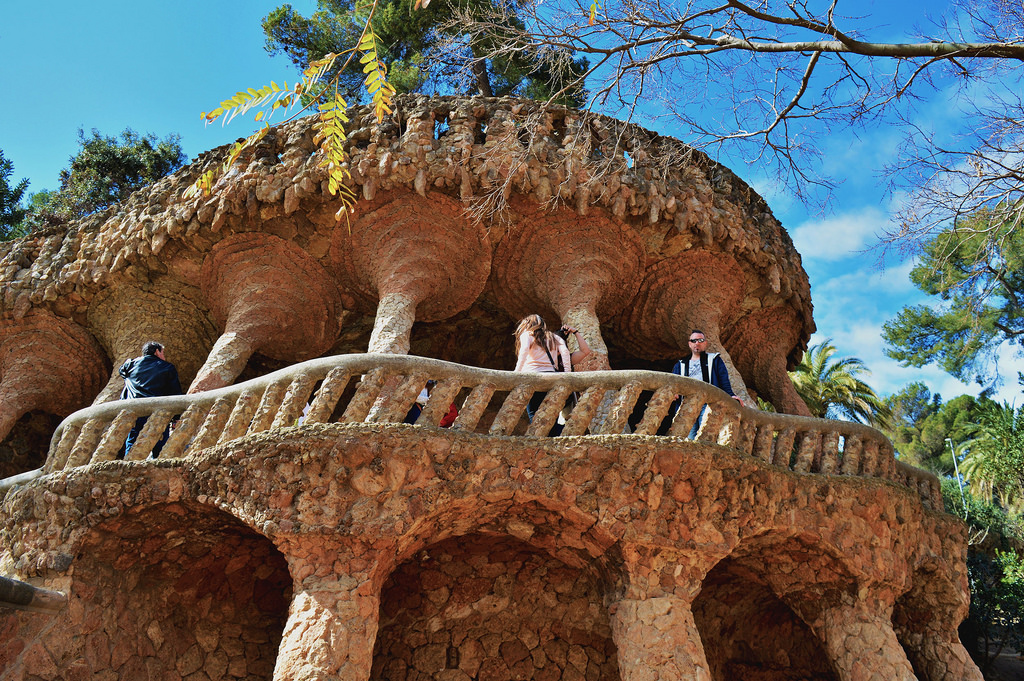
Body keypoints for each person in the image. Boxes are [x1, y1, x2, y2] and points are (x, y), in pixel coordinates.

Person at [513, 314, 592, 435]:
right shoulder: (554, 338)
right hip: (552, 380)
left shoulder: (527, 335)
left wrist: (516, 374)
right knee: (550, 417)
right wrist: (567, 375)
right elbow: (565, 352)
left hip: (533, 377)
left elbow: (523, 352)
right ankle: (560, 435)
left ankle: (542, 439)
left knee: (534, 414)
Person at [664, 330, 742, 437]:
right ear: (689, 344)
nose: (697, 343)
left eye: (700, 340)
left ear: (705, 343)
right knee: (689, 439)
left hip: (708, 404)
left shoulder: (714, 360)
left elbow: (723, 380)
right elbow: (674, 384)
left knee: (705, 436)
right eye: (694, 340)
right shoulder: (681, 365)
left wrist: (731, 395)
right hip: (687, 405)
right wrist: (673, 393)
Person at [119, 341, 182, 458]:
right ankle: (159, 470)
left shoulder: (130, 366)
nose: (164, 356)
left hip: (134, 411)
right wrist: (176, 417)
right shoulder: (167, 367)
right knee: (159, 443)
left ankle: (128, 470)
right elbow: (174, 393)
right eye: (163, 352)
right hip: (156, 412)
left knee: (132, 443)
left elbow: (122, 370)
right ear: (157, 351)